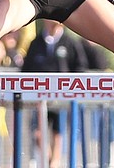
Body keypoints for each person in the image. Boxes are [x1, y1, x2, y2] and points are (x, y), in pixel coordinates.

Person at [22, 19, 89, 167]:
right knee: (37, 133)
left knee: (58, 133)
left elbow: (80, 67)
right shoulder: (36, 43)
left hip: (62, 99)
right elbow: (26, 69)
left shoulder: (70, 43)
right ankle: (49, 159)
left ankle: (55, 162)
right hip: (38, 98)